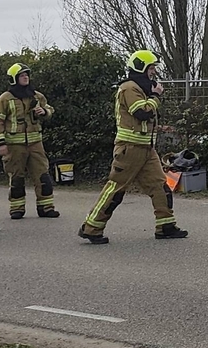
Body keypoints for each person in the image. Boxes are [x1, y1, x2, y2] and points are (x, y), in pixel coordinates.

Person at [78, 50, 188, 244]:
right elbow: (142, 112)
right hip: (129, 149)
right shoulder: (129, 87)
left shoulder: (141, 88)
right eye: (151, 68)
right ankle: (92, 228)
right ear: (141, 68)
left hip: (146, 148)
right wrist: (155, 96)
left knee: (160, 186)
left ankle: (165, 226)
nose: (154, 72)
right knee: (115, 190)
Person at [0, 63, 59, 220]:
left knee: (43, 176)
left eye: (27, 75)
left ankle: (46, 207)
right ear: (14, 79)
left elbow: (50, 109)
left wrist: (45, 112)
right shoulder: (5, 99)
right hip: (14, 146)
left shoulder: (37, 96)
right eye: (22, 75)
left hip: (36, 144)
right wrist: (1, 144)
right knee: (16, 178)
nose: (26, 77)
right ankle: (17, 208)